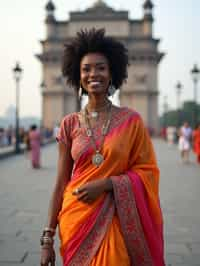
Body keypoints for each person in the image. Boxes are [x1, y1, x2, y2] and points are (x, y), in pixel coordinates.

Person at [40, 28, 165, 266]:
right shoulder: (69, 123)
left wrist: (108, 184)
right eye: (86, 69)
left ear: (112, 74)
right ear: (78, 75)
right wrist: (47, 238)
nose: (93, 74)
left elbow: (147, 172)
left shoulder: (131, 121)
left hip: (116, 220)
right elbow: (60, 182)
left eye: (101, 67)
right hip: (75, 219)